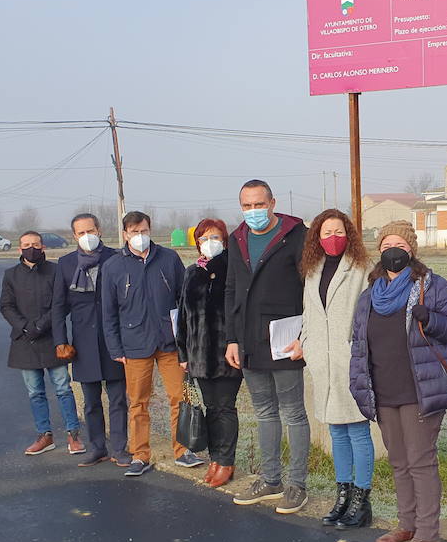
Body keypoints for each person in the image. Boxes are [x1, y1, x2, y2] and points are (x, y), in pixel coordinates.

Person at [349, 220, 447, 542]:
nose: (393, 251)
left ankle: (428, 535)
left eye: (400, 245)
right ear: (379, 250)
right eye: (387, 244)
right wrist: (358, 383)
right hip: (383, 389)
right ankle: (407, 525)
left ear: (411, 250)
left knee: (420, 461)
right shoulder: (369, 295)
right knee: (399, 462)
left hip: (420, 389)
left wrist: (430, 318)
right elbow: (359, 343)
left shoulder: (431, 287)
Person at [223, 179, 310, 514]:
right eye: (247, 206)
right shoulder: (237, 238)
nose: (253, 212)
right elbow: (231, 289)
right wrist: (232, 338)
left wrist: (304, 336)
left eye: (259, 205)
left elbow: (309, 287)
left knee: (293, 412)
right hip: (248, 341)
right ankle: (270, 480)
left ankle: (296, 485)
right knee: (264, 412)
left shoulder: (296, 237)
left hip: (285, 338)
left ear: (272, 203)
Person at [101, 210, 201, 477]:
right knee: (138, 402)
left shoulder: (168, 259)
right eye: (134, 232)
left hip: (169, 343)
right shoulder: (113, 267)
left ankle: (183, 451)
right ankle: (140, 454)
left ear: (150, 230)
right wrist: (115, 348)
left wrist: (186, 341)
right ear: (125, 235)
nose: (140, 236)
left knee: (179, 398)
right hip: (134, 345)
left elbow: (185, 300)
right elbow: (108, 313)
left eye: (144, 231)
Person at [292, 208, 373, 527]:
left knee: (357, 429)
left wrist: (361, 348)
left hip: (350, 360)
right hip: (322, 363)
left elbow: (370, 313)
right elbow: (308, 312)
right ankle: (342, 496)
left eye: (339, 232)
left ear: (349, 234)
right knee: (336, 431)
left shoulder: (362, 268)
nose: (333, 238)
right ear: (317, 237)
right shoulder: (312, 268)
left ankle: (361, 500)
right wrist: (305, 341)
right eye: (326, 233)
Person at [53, 213, 129, 467]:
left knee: (118, 398)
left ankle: (119, 448)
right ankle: (98, 447)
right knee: (91, 401)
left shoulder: (117, 258)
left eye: (91, 231)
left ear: (99, 229)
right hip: (83, 342)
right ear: (74, 236)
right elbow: (58, 307)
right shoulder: (65, 264)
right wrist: (61, 341)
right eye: (81, 233)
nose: (87, 237)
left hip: (114, 340)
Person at [0, 230, 81, 456]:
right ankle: (44, 435)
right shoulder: (10, 275)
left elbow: (62, 304)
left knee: (63, 388)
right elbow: (6, 306)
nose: (31, 248)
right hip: (24, 341)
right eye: (26, 244)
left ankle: (73, 434)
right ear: (19, 249)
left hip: (52, 338)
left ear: (43, 247)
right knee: (35, 392)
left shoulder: (56, 271)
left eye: (36, 244)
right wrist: (25, 326)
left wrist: (40, 326)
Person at [175, 219, 241, 488]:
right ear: (197, 242)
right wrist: (183, 352)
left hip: (226, 354)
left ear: (224, 241)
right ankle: (215, 458)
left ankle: (226, 462)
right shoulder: (192, 272)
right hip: (198, 356)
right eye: (203, 238)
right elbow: (182, 316)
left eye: (215, 237)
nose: (209, 242)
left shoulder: (232, 270)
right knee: (210, 408)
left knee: (224, 407)